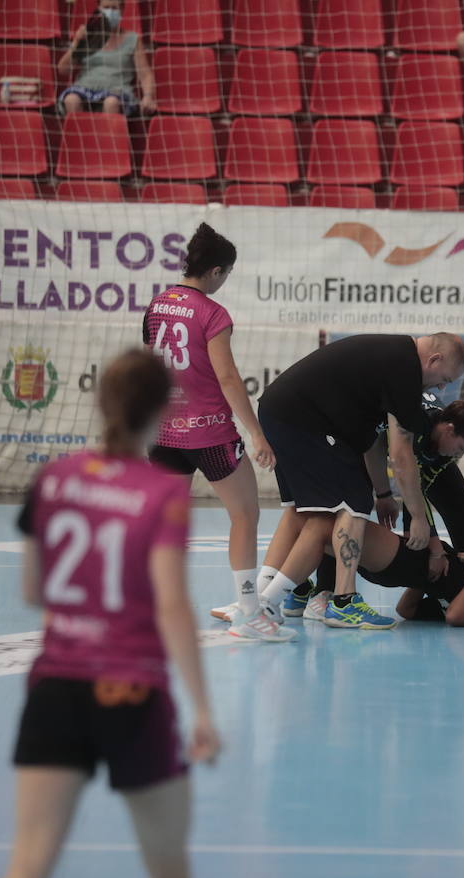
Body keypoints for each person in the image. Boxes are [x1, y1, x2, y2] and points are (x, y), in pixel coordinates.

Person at [0, 350, 220, 878]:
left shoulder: (53, 479)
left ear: (101, 403)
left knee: (29, 863)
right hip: (134, 692)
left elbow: (32, 591)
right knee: (168, 869)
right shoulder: (163, 492)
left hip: (55, 690)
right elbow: (171, 604)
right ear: (164, 410)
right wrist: (203, 710)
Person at [254, 333, 464, 630]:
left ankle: (260, 599)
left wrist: (383, 493)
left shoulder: (388, 363)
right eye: (444, 378)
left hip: (282, 412)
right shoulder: (405, 370)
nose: (442, 387)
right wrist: (418, 517)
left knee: (306, 513)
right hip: (303, 420)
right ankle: (342, 602)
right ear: (434, 360)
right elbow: (400, 455)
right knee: (353, 502)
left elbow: (371, 445)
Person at [144, 223, 293, 644]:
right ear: (214, 271)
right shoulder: (212, 313)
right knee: (244, 515)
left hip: (163, 433)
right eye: (226, 274)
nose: (224, 282)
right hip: (208, 433)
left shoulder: (157, 305)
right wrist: (257, 435)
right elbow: (227, 377)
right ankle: (248, 613)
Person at [277, 397, 464, 622]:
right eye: (460, 448)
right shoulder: (417, 427)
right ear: (448, 430)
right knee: (342, 509)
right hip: (354, 442)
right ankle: (323, 591)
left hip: (383, 444)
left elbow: (418, 491)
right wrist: (384, 495)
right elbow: (407, 479)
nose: (459, 455)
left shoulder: (443, 445)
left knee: (459, 502)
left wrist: (422, 535)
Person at [305, 522, 464, 628]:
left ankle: (283, 590)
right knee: (323, 534)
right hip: (401, 571)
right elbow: (407, 611)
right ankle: (291, 589)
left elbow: (454, 616)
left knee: (325, 528)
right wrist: (425, 580)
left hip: (400, 562)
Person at [57, 0, 155, 116]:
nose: (110, 12)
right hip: (84, 88)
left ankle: (108, 134)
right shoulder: (87, 36)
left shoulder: (133, 39)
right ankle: (80, 134)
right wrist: (77, 43)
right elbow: (63, 69)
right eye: (106, 7)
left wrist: (148, 96)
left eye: (114, 8)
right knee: (71, 100)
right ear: (99, 9)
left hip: (117, 91)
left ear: (122, 10)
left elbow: (145, 75)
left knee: (111, 102)